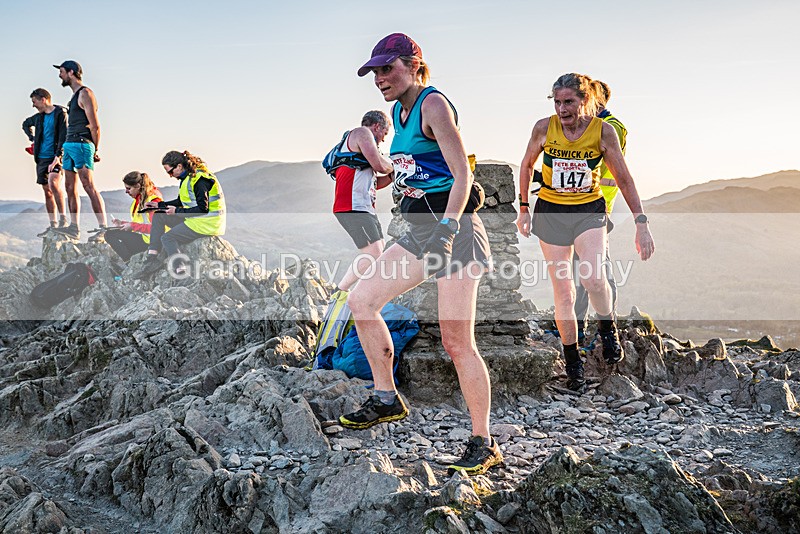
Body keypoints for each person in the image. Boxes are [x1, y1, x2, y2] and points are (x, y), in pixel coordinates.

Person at [337, 33, 503, 476]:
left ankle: (483, 441)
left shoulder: (433, 105)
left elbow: (462, 174)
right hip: (419, 230)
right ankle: (386, 398)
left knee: (456, 342)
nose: (379, 78)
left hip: (456, 232)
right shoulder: (398, 111)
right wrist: (380, 180)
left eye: (387, 68)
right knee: (362, 300)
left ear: (414, 65)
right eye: (375, 71)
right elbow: (417, 167)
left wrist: (447, 229)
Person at [516, 73, 654, 392]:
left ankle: (607, 326)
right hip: (551, 212)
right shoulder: (543, 128)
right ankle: (573, 363)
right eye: (557, 102)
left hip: (588, 210)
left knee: (593, 279)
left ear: (585, 100)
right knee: (564, 292)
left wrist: (641, 222)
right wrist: (523, 207)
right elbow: (525, 165)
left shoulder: (604, 131)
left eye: (569, 102)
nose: (562, 109)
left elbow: (624, 178)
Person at [134, 150, 226, 279]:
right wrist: (159, 205)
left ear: (179, 166)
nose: (170, 176)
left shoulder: (200, 180)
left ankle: (181, 269)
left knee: (167, 238)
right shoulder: (187, 178)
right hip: (196, 220)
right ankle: (152, 257)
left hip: (207, 224)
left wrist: (176, 211)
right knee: (159, 215)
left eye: (170, 172)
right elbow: (181, 201)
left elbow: (202, 209)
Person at [332, 110, 393, 292]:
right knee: (373, 254)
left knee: (379, 254)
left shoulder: (365, 148)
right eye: (385, 133)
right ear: (377, 126)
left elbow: (375, 183)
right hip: (352, 207)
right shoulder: (361, 133)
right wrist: (395, 166)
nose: (384, 139)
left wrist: (392, 176)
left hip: (363, 208)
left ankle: (362, 294)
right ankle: (340, 291)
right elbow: (380, 166)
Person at [50, 60, 108, 242]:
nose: (59, 75)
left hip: (82, 144)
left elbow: (95, 126)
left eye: (62, 71)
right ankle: (74, 227)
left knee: (88, 185)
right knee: (69, 188)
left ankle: (103, 228)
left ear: (71, 72)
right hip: (69, 145)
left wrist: (95, 148)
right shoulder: (74, 96)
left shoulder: (85, 93)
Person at [21, 88, 68, 237]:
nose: (33, 105)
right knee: (47, 191)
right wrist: (32, 138)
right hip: (41, 158)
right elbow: (25, 124)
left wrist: (58, 156)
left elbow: (64, 135)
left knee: (54, 183)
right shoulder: (38, 117)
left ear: (43, 99)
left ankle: (63, 219)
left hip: (56, 156)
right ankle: (53, 224)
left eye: (34, 101)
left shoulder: (60, 113)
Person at [105, 172, 163, 262]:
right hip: (146, 239)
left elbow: (157, 229)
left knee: (111, 235)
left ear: (138, 186)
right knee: (109, 234)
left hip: (154, 244)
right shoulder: (137, 202)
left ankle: (130, 263)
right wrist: (122, 224)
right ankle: (130, 262)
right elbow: (139, 223)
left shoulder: (152, 202)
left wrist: (132, 226)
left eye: (129, 188)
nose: (126, 192)